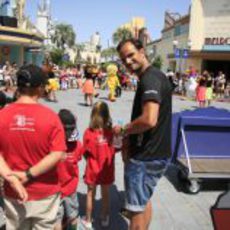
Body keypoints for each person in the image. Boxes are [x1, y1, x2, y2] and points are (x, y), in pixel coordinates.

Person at [114, 39, 172, 230]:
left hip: (145, 158)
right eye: (124, 59)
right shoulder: (154, 76)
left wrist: (124, 130)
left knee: (135, 211)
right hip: (154, 154)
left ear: (142, 51)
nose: (128, 62)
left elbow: (149, 119)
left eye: (131, 55)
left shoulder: (150, 78)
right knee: (143, 201)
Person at [0, 64, 66, 230]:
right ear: (40, 88)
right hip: (45, 193)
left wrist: (12, 178)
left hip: (14, 192)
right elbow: (57, 153)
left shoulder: (2, 115)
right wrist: (28, 175)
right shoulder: (51, 118)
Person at [81, 101, 116, 229]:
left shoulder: (88, 133)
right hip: (106, 168)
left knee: (90, 194)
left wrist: (90, 160)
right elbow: (116, 148)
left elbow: (84, 152)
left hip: (92, 168)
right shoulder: (111, 132)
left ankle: (88, 220)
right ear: (107, 115)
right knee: (105, 194)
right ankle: (105, 218)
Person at [54, 109, 82, 230]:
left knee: (57, 219)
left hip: (55, 189)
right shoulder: (78, 145)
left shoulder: (52, 146)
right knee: (73, 216)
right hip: (71, 188)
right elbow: (79, 158)